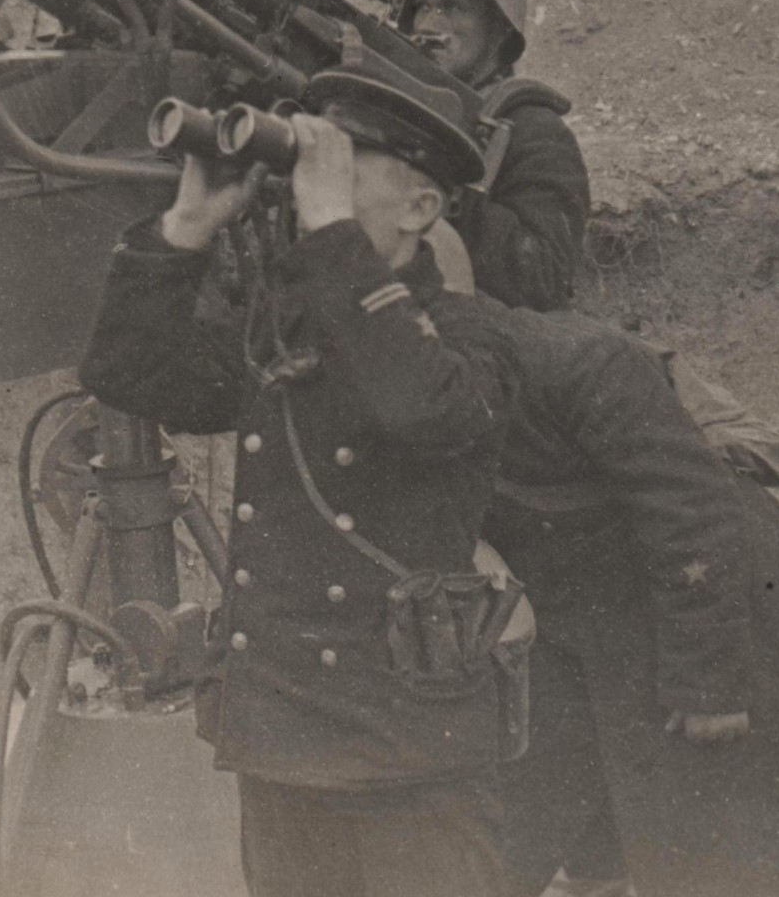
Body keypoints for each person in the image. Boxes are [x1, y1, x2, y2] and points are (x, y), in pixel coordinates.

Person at [78, 61, 521, 897]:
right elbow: (127, 371)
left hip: (408, 761)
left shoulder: (474, 340)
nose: (310, 193)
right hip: (282, 743)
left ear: (422, 208)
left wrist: (328, 239)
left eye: (343, 172)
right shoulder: (281, 339)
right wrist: (187, 224)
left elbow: (418, 408)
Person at [472, 296, 779, 897]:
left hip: (712, 593)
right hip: (591, 603)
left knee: (728, 842)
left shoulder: (578, 361)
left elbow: (693, 520)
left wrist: (710, 682)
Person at [391, 0, 590, 311]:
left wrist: (449, 192)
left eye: (452, 8)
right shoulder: (405, 108)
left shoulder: (535, 131)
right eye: (423, 7)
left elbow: (546, 277)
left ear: (498, 30)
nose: (431, 25)